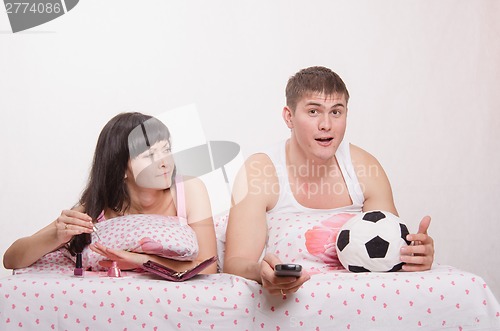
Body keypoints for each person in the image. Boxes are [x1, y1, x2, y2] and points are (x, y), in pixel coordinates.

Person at [223, 66, 434, 295]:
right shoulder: (260, 171)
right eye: (314, 112)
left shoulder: (365, 168)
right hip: (285, 303)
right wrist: (261, 272)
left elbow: (390, 251)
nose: (326, 125)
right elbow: (235, 263)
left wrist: (414, 255)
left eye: (336, 112)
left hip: (355, 300)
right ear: (289, 116)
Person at [3, 112, 217, 274]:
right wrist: (56, 236)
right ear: (122, 169)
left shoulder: (188, 189)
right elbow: (11, 259)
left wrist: (139, 260)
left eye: (167, 149)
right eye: (151, 155)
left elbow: (208, 267)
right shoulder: (97, 209)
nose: (165, 163)